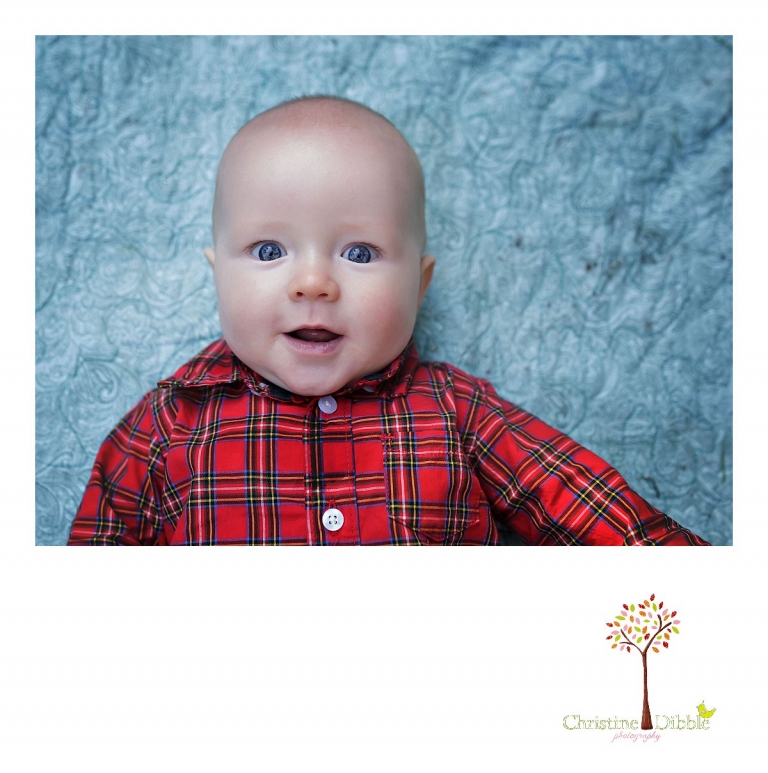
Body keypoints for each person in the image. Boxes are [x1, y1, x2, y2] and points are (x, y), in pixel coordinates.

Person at [68, 95, 709, 546]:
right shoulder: (167, 425)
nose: (313, 282)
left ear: (419, 284)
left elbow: (580, 500)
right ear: (217, 273)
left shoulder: (457, 413)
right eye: (269, 251)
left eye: (360, 253)